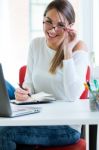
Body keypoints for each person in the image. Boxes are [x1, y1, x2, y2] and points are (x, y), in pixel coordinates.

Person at [0, 0, 89, 149]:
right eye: (48, 22)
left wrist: (67, 49)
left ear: (70, 27)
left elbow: (72, 95)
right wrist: (25, 92)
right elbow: (29, 83)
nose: (52, 30)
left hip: (65, 127)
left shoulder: (78, 47)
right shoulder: (35, 44)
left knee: (5, 133)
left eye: (60, 25)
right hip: (36, 116)